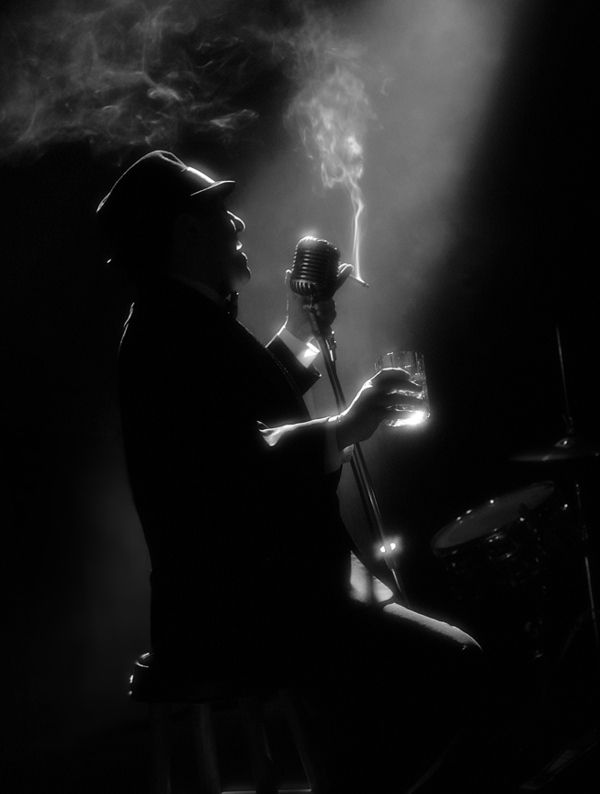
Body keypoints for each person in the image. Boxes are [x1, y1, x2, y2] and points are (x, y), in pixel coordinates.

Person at [97, 150, 492, 793]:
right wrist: (346, 426)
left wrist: (301, 334)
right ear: (187, 233)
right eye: (221, 213)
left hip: (252, 598)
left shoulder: (175, 321)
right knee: (460, 669)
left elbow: (242, 408)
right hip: (251, 608)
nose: (239, 226)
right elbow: (233, 466)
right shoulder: (172, 334)